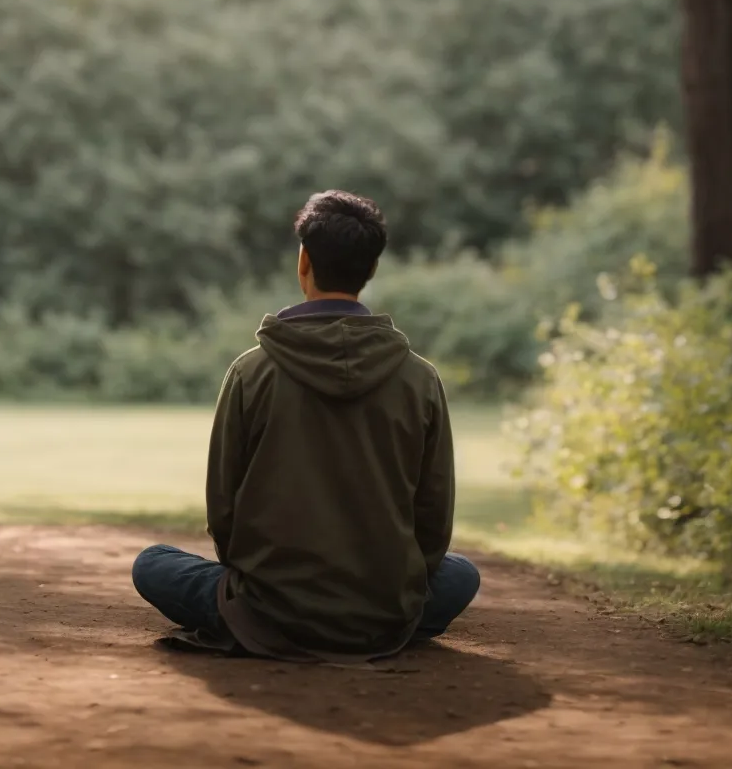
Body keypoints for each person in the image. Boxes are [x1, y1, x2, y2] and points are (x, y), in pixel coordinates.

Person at [130, 189, 478, 661]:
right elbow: (434, 521)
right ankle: (369, 623)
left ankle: (269, 626)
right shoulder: (420, 378)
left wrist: (262, 583)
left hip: (269, 608)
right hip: (381, 610)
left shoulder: (251, 371)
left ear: (304, 262)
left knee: (152, 564)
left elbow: (223, 510)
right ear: (371, 269)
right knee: (461, 576)